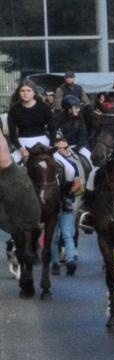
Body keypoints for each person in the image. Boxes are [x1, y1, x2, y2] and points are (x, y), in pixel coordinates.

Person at [50, 132, 85, 274]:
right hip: (55, 205)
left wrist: (67, 193)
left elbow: (77, 184)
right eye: (62, 148)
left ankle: (66, 261)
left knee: (66, 234)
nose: (66, 150)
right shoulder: (52, 164)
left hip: (65, 203)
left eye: (66, 147)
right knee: (59, 235)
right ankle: (59, 262)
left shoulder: (72, 165)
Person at [6, 80, 53, 157]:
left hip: (43, 142)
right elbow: (12, 134)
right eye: (22, 91)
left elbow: (52, 128)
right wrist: (21, 149)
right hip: (22, 143)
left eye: (28, 90)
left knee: (70, 168)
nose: (25, 93)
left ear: (34, 92)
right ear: (19, 93)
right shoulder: (14, 110)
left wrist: (50, 146)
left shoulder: (44, 107)